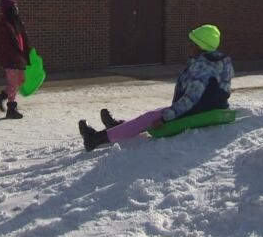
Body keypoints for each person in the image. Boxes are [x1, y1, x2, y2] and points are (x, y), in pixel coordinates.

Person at [78, 25, 233, 151]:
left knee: (151, 117)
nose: (189, 45)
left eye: (192, 42)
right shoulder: (218, 61)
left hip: (199, 110)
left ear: (200, 46)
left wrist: (166, 117)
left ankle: (95, 139)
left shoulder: (202, 66)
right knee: (151, 116)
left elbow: (191, 99)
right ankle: (118, 127)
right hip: (209, 107)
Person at [0, 0, 32, 119]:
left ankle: (1, 97)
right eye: (14, 7)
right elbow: (5, 45)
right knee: (13, 83)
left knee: (20, 80)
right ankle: (11, 109)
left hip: (18, 57)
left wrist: (27, 54)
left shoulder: (16, 22)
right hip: (10, 58)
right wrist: (15, 58)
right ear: (9, 10)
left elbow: (23, 39)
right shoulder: (3, 24)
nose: (16, 10)